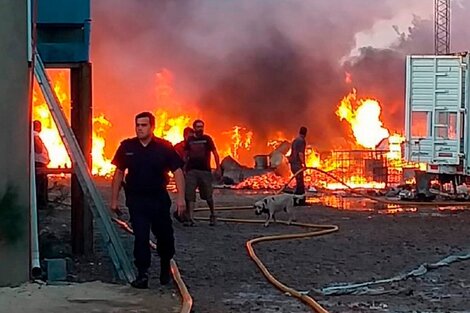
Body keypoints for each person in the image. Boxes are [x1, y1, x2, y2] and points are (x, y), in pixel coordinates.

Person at [110, 112, 186, 289]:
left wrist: (181, 198)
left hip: (158, 199)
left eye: (143, 125)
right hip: (137, 200)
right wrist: (114, 200)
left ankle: (165, 263)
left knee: (164, 236)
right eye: (137, 125)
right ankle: (142, 274)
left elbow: (178, 171)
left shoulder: (164, 147)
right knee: (141, 237)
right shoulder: (127, 147)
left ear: (152, 127)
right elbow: (119, 173)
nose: (139, 128)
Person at [184, 119, 220, 226]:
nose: (200, 129)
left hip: (205, 171)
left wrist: (218, 167)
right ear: (194, 128)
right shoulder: (190, 140)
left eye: (202, 127)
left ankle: (213, 214)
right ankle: (191, 218)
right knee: (190, 194)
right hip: (192, 171)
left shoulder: (207, 139)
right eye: (198, 127)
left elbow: (215, 153)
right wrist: (184, 168)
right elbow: (186, 155)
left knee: (207, 195)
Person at [173, 127, 194, 224]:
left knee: (189, 194)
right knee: (183, 193)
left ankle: (184, 214)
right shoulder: (178, 147)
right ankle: (181, 214)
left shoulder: (193, 146)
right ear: (185, 135)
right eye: (189, 135)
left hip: (190, 173)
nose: (191, 137)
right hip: (181, 173)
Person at [33, 120, 50, 209]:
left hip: (40, 163)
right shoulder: (34, 135)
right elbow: (39, 150)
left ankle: (42, 203)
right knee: (40, 184)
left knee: (41, 184)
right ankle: (41, 204)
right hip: (39, 163)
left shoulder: (34, 135)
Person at [288, 126, 307, 197]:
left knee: (298, 180)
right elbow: (300, 154)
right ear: (305, 133)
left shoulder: (295, 140)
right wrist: (304, 164)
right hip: (297, 163)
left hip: (293, 163)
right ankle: (299, 198)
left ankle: (298, 195)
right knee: (300, 183)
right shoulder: (302, 141)